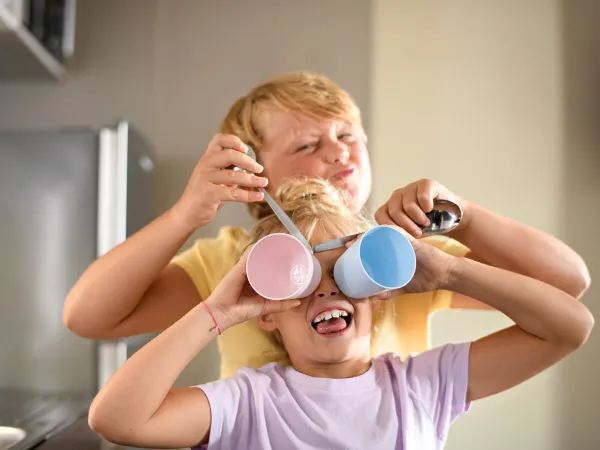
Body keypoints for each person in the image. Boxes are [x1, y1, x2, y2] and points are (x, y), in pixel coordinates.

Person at [63, 72, 591, 379]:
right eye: (308, 144)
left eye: (347, 135)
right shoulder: (229, 262)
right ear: (253, 169)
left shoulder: (399, 253)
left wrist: (465, 217)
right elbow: (89, 317)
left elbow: (565, 285)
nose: (339, 153)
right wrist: (188, 213)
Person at [87, 178, 594, 450]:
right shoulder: (248, 403)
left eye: (347, 271)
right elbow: (116, 420)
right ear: (267, 312)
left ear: (377, 291)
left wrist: (447, 271)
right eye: (300, 278)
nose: (326, 290)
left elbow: (571, 326)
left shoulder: (420, 386)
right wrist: (217, 310)